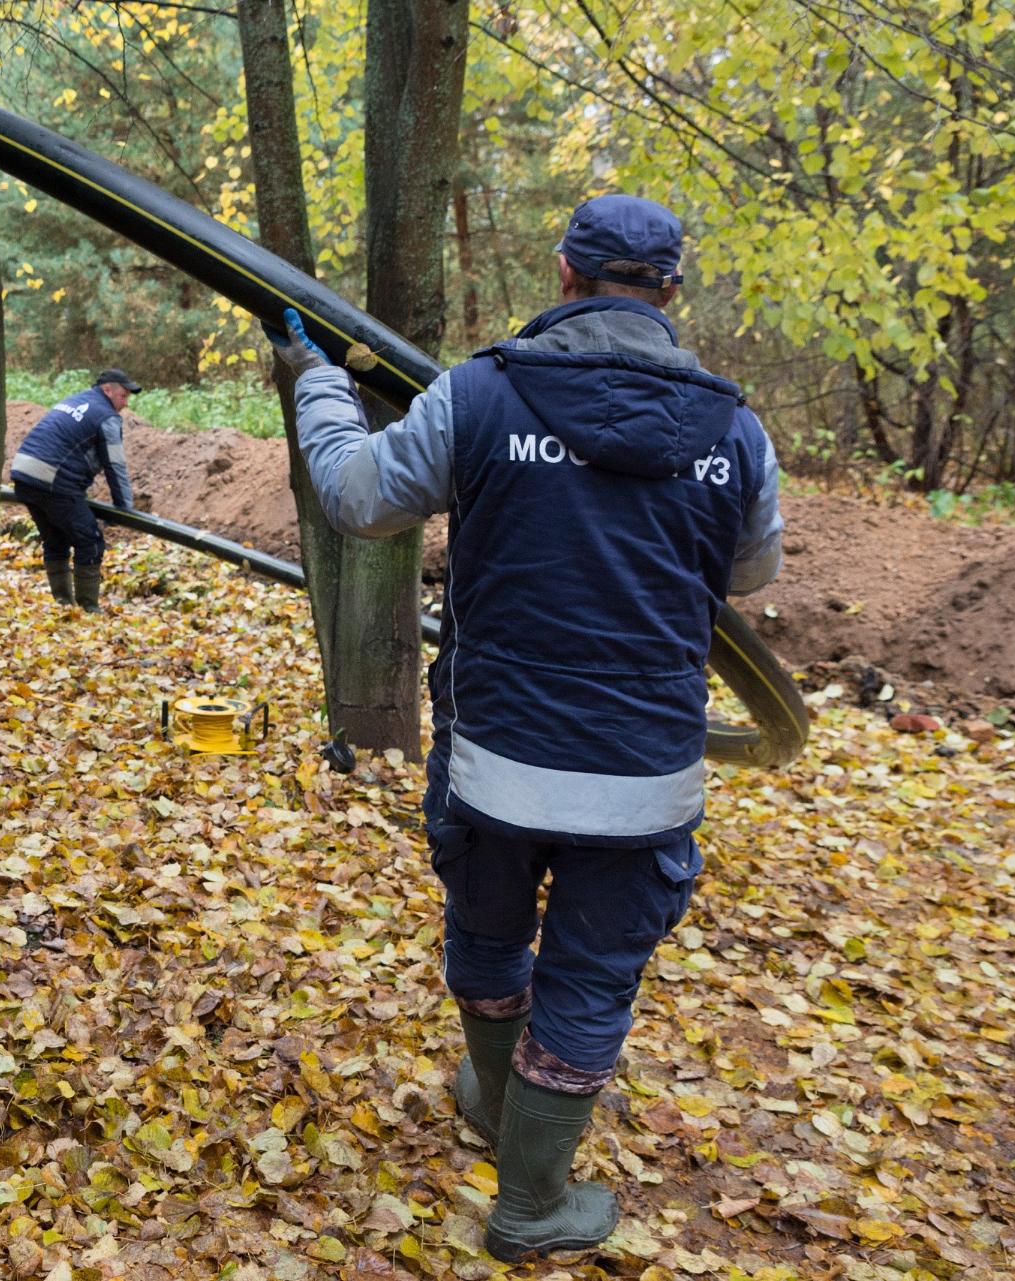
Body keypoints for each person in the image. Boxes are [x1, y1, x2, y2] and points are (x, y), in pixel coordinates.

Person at [269, 195, 783, 1262]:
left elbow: (360, 499)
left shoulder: (479, 395)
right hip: (644, 779)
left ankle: (508, 1125)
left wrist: (317, 383)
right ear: (671, 291)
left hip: (495, 765)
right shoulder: (739, 432)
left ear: (563, 275)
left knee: (493, 932)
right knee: (590, 978)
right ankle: (531, 1191)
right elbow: (747, 574)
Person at [9, 368, 142, 610]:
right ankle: (87, 609)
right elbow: (115, 464)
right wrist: (124, 508)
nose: (124, 404)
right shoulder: (106, 416)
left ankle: (63, 605)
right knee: (89, 540)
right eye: (123, 396)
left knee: (56, 539)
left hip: (24, 473)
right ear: (107, 390)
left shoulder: (76, 400)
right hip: (52, 480)